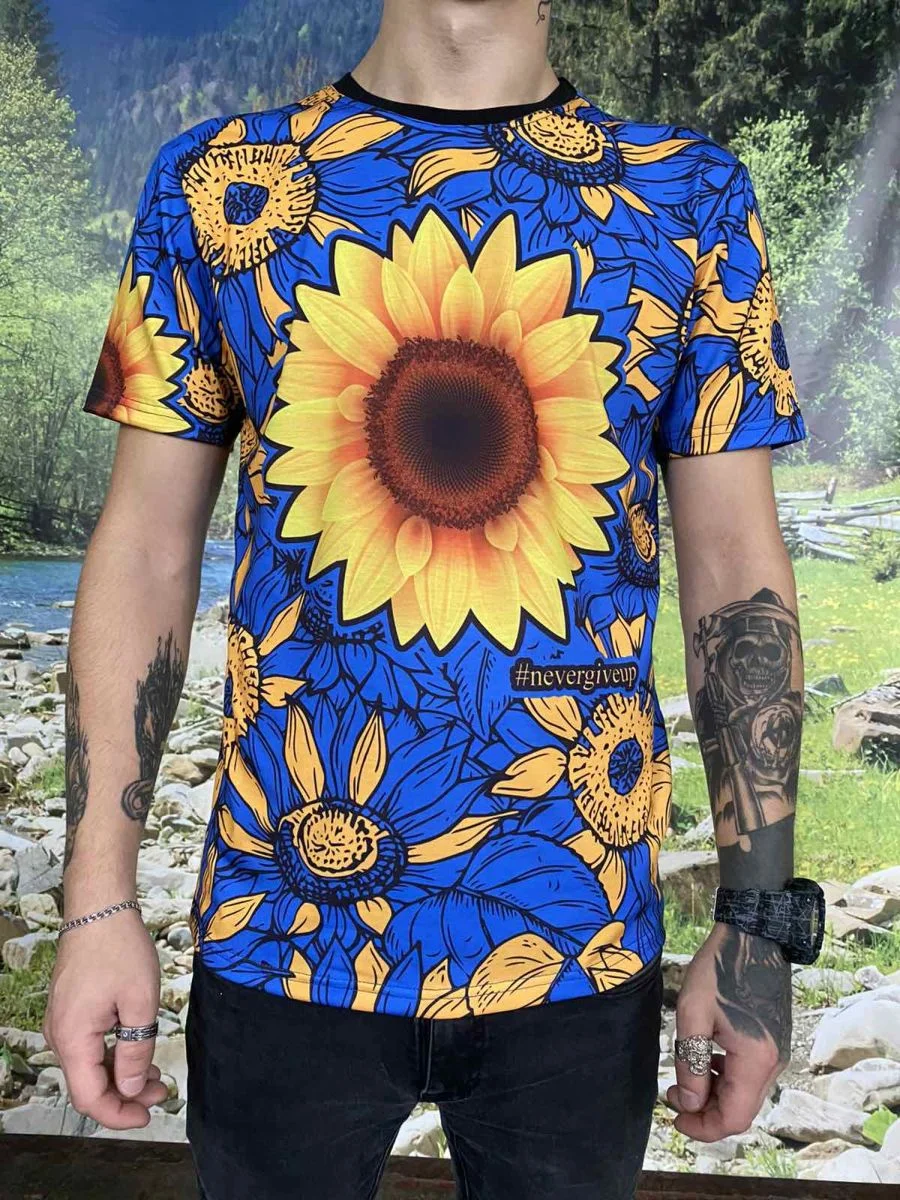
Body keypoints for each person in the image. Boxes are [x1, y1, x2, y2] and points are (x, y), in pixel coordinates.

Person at [42, 1, 820, 1197]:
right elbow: (144, 545)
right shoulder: (217, 185)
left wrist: (758, 925)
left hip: (579, 936)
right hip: (276, 925)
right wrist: (95, 907)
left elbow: (735, 568)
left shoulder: (693, 195)